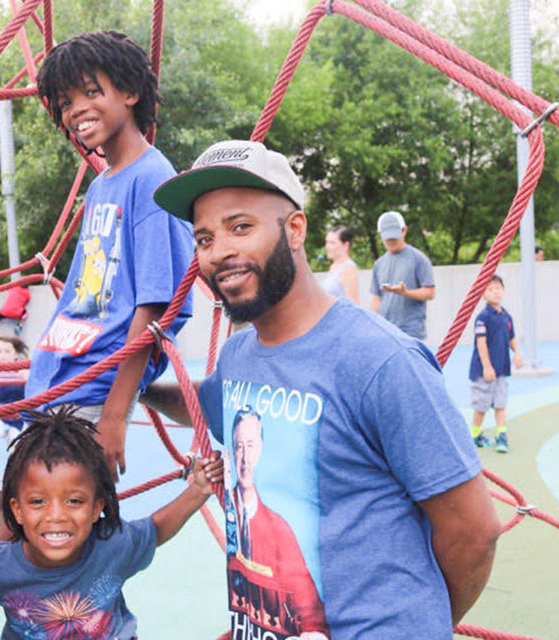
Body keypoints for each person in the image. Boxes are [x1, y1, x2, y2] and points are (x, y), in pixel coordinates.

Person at [144, 139, 501, 638]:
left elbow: (474, 532)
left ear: (294, 230)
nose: (219, 252)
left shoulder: (379, 360)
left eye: (240, 227)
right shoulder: (239, 355)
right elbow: (207, 405)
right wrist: (134, 386)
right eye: (204, 239)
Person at [25, 30, 194, 480]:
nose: (76, 108)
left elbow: (157, 306)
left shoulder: (152, 178)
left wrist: (116, 415)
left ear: (131, 92)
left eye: (91, 92)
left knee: (54, 523)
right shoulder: (102, 184)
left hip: (96, 386)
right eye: (65, 101)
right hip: (59, 375)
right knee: (16, 508)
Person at [0, 407, 222, 639]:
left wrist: (197, 491)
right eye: (38, 502)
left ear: (97, 507)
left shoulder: (111, 545)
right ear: (17, 511)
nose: (56, 516)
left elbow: (156, 528)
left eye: (74, 501)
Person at [223, 407, 328, 637]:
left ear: (260, 449)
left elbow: (313, 620)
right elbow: (202, 405)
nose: (244, 458)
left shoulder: (279, 531)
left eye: (250, 445)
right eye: (239, 446)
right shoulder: (230, 510)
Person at [469, 275, 523, 453]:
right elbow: (481, 343)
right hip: (484, 371)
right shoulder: (483, 317)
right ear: (483, 294)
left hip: (501, 370)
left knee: (500, 404)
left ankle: (502, 436)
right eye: (490, 289)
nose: (496, 292)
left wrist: (518, 354)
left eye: (498, 288)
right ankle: (475, 435)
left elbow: (512, 338)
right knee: (481, 406)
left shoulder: (506, 316)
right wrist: (486, 367)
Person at [368, 210, 436, 340]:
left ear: (404, 231)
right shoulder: (379, 264)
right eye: (387, 238)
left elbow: (430, 292)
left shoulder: (418, 259)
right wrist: (372, 324)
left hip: (410, 332)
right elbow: (376, 298)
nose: (391, 242)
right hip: (385, 331)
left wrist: (405, 293)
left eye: (394, 237)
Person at [0, 335, 29, 439]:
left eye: (7, 351)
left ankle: (12, 440)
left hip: (17, 410)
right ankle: (6, 435)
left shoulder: (21, 370)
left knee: (16, 441)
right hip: (0, 409)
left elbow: (31, 389)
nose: (3, 355)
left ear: (15, 354)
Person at [321, 225, 358, 304]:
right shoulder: (333, 266)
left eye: (332, 243)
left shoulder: (348, 268)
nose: (327, 247)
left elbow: (353, 304)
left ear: (346, 245)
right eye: (327, 242)